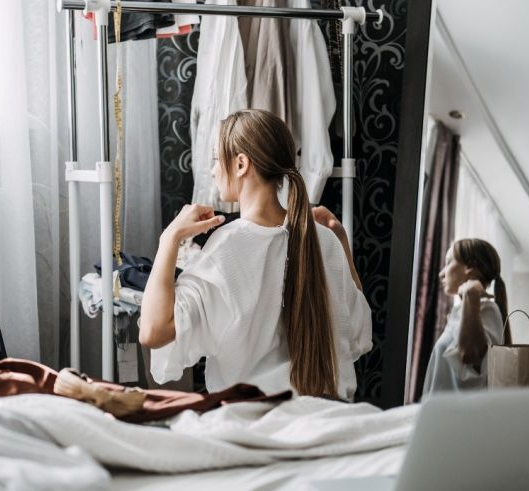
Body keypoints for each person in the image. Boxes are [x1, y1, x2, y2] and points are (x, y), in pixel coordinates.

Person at [138, 109, 372, 400]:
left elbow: (152, 332)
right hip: (326, 417)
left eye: (215, 159)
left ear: (240, 164)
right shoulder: (324, 240)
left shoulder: (226, 249)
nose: (212, 170)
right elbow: (361, 330)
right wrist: (339, 241)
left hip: (255, 423)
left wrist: (169, 239)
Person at [422, 238, 509, 396]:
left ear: (469, 266)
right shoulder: (460, 311)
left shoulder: (488, 311)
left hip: (458, 417)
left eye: (448, 262)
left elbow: (471, 355)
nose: (442, 273)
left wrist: (471, 296)